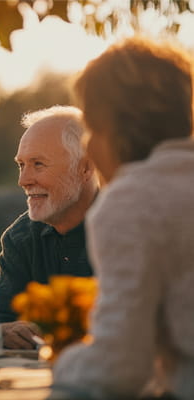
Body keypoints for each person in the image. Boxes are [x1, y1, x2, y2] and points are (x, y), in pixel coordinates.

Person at [51, 37, 194, 400]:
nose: (87, 146)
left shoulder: (133, 199)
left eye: (90, 129)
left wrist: (62, 363)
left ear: (113, 128)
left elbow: (119, 369)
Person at [0, 105, 100, 349]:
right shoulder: (19, 239)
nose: (23, 180)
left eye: (38, 164)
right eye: (21, 165)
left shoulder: (129, 229)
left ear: (85, 168)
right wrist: (4, 332)